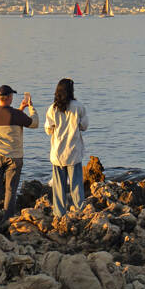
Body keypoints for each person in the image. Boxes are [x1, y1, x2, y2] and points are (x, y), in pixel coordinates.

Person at [0, 84, 39, 231]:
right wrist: (30, 106)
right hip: (14, 157)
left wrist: (20, 109)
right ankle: (7, 220)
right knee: (10, 189)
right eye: (12, 96)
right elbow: (34, 123)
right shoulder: (16, 115)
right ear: (9, 98)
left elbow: (9, 118)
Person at [44, 77, 89, 217]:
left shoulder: (52, 108)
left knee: (59, 187)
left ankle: (59, 214)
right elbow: (84, 126)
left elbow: (48, 129)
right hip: (73, 151)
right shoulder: (79, 107)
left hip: (58, 153)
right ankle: (80, 211)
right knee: (76, 185)